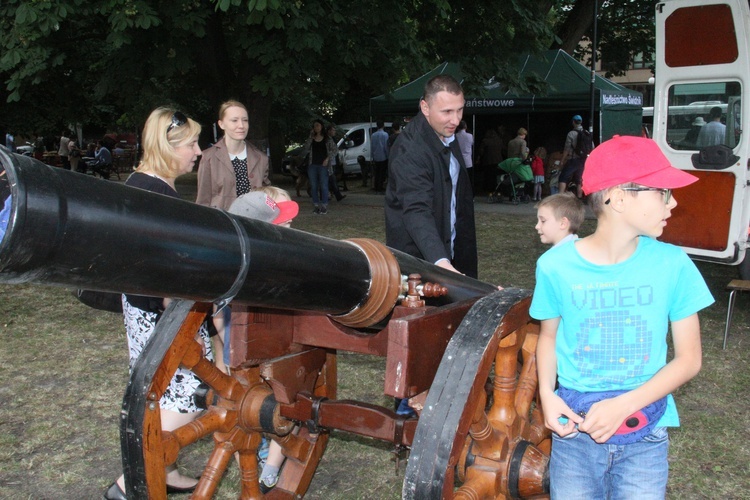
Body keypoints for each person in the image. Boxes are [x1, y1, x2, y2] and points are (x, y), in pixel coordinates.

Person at [530, 135, 714, 499]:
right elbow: (548, 338)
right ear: (616, 196)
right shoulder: (554, 266)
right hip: (575, 438)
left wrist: (625, 405)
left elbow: (689, 359)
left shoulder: (673, 264)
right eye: (662, 191)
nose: (673, 202)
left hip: (645, 436)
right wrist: (547, 396)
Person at [103, 107, 210, 500]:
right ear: (168, 147)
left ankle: (164, 471)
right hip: (163, 312)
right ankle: (127, 482)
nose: (198, 151)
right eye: (191, 144)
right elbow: (160, 266)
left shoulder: (137, 182)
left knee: (160, 393)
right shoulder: (159, 194)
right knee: (192, 394)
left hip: (140, 308)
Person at [385, 74, 477, 278]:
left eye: (460, 109)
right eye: (447, 112)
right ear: (425, 108)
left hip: (451, 251)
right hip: (420, 263)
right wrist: (441, 262)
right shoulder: (409, 149)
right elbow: (416, 209)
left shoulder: (446, 132)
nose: (456, 120)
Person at [196, 100, 270, 210]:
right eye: (234, 120)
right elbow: (203, 201)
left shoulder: (261, 158)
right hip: (221, 224)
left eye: (245, 120)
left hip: (251, 224)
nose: (241, 125)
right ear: (221, 124)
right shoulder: (209, 158)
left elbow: (267, 197)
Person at [299, 119, 336, 214]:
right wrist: (310, 137)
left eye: (318, 125)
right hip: (313, 165)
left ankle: (324, 205)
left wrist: (328, 159)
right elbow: (306, 148)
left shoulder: (327, 138)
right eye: (315, 126)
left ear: (322, 126)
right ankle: (316, 205)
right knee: (314, 186)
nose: (316, 127)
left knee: (323, 185)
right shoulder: (312, 138)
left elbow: (335, 150)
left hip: (323, 165)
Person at [558, 115, 585, 198]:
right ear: (581, 122)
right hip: (583, 160)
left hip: (573, 160)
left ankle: (560, 197)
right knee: (579, 180)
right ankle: (579, 197)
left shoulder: (571, 133)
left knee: (563, 177)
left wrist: (562, 160)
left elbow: (567, 148)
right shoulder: (586, 133)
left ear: (573, 122)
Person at [477, 129, 504, 195]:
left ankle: (489, 190)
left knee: (488, 176)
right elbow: (503, 150)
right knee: (497, 176)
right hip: (498, 160)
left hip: (488, 161)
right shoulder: (499, 141)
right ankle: (497, 190)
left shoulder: (485, 141)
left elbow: (481, 151)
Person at [326, 124, 346, 201]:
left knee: (331, 179)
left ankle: (334, 194)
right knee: (331, 179)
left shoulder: (332, 139)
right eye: (333, 130)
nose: (334, 132)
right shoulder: (328, 140)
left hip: (332, 161)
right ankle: (336, 195)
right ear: (329, 131)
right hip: (329, 162)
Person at [455, 120, 474, 193]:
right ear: (465, 127)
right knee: (468, 180)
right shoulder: (469, 136)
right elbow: (472, 143)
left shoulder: (455, 136)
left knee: (459, 180)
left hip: (458, 161)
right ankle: (470, 195)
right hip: (468, 161)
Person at [371, 120, 389, 193]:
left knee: (377, 172)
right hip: (383, 156)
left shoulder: (373, 135)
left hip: (376, 156)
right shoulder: (385, 135)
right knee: (382, 172)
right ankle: (380, 186)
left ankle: (376, 186)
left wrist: (372, 156)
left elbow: (372, 147)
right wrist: (388, 155)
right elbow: (386, 146)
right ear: (383, 126)